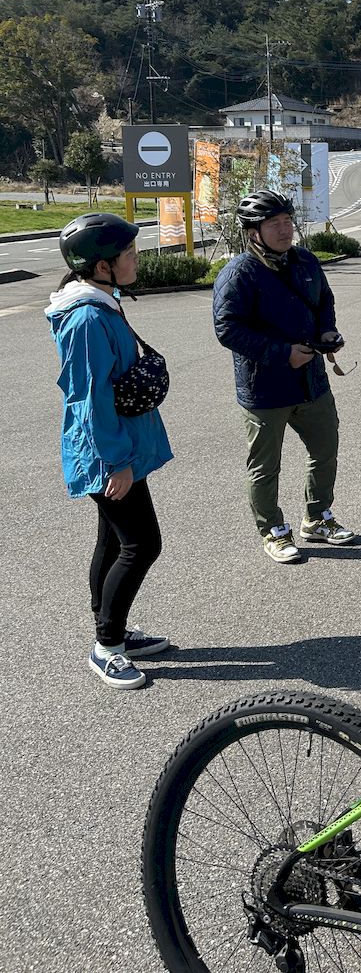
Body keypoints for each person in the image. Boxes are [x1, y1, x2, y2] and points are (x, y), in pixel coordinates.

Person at [46, 213, 173, 690]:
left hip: (117, 446)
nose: (137, 260)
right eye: (130, 254)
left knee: (114, 541)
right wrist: (116, 462)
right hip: (107, 453)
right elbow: (88, 398)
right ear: (102, 266)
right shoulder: (86, 319)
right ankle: (107, 647)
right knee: (142, 545)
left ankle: (111, 626)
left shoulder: (101, 302)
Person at [213, 189, 357, 564]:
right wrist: (282, 354)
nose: (284, 229)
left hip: (311, 382)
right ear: (253, 232)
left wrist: (327, 330)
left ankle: (317, 518)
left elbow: (324, 300)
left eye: (287, 221)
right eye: (274, 223)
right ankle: (273, 531)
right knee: (265, 468)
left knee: (325, 451)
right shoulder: (239, 273)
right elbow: (227, 329)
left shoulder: (305, 261)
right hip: (265, 389)